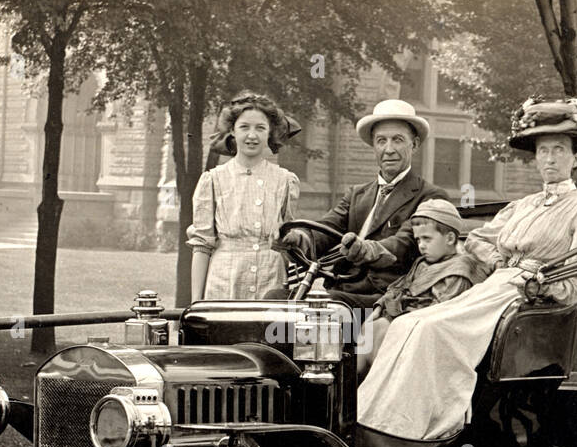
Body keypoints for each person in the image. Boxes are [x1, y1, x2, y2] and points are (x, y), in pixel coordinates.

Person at [357, 96, 577, 442]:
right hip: (497, 284)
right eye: (543, 151)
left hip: (527, 298)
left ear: (576, 158)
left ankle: (425, 426)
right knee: (407, 323)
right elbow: (475, 238)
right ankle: (376, 421)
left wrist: (542, 284)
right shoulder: (523, 206)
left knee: (432, 330)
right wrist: (500, 263)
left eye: (559, 150)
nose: (550, 159)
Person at [279, 99, 446, 308]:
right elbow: (326, 228)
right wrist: (298, 238)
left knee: (325, 306)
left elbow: (403, 244)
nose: (389, 149)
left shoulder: (429, 197)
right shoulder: (357, 194)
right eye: (381, 141)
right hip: (343, 286)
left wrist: (367, 249)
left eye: (398, 140)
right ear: (373, 146)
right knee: (274, 298)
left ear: (415, 144)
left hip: (389, 295)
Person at [355, 199, 487, 377]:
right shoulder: (423, 263)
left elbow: (440, 310)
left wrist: (398, 316)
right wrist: (381, 305)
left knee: (381, 332)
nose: (421, 245)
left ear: (450, 238)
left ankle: (378, 383)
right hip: (407, 319)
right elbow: (400, 286)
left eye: (427, 239)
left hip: (430, 333)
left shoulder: (459, 270)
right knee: (371, 326)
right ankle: (356, 383)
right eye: (418, 240)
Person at [188, 94, 300, 300]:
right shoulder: (213, 180)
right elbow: (202, 246)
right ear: (232, 130)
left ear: (270, 133)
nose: (252, 135)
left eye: (260, 128)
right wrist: (195, 303)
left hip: (271, 281)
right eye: (244, 127)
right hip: (225, 282)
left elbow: (289, 244)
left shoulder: (285, 180)